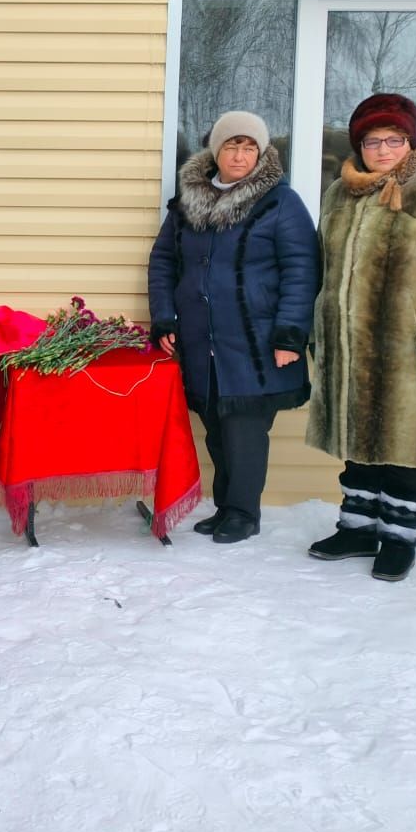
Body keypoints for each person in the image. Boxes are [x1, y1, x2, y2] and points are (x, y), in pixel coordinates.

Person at [306, 93, 416, 582]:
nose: (383, 150)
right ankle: (357, 529)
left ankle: (399, 538)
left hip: (405, 348)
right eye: (373, 141)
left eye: (394, 140)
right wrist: (320, 330)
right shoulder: (339, 193)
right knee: (357, 440)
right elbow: (324, 268)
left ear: (411, 143)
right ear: (359, 145)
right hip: (346, 343)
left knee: (402, 445)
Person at [147, 112, 319, 544]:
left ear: (260, 154)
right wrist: (164, 317)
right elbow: (164, 261)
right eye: (231, 146)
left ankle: (244, 513)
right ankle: (226, 508)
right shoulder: (189, 200)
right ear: (215, 151)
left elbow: (302, 269)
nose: (239, 155)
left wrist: (289, 335)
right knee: (218, 428)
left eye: (248, 147)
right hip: (201, 340)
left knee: (245, 430)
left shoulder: (281, 202)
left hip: (257, 341)